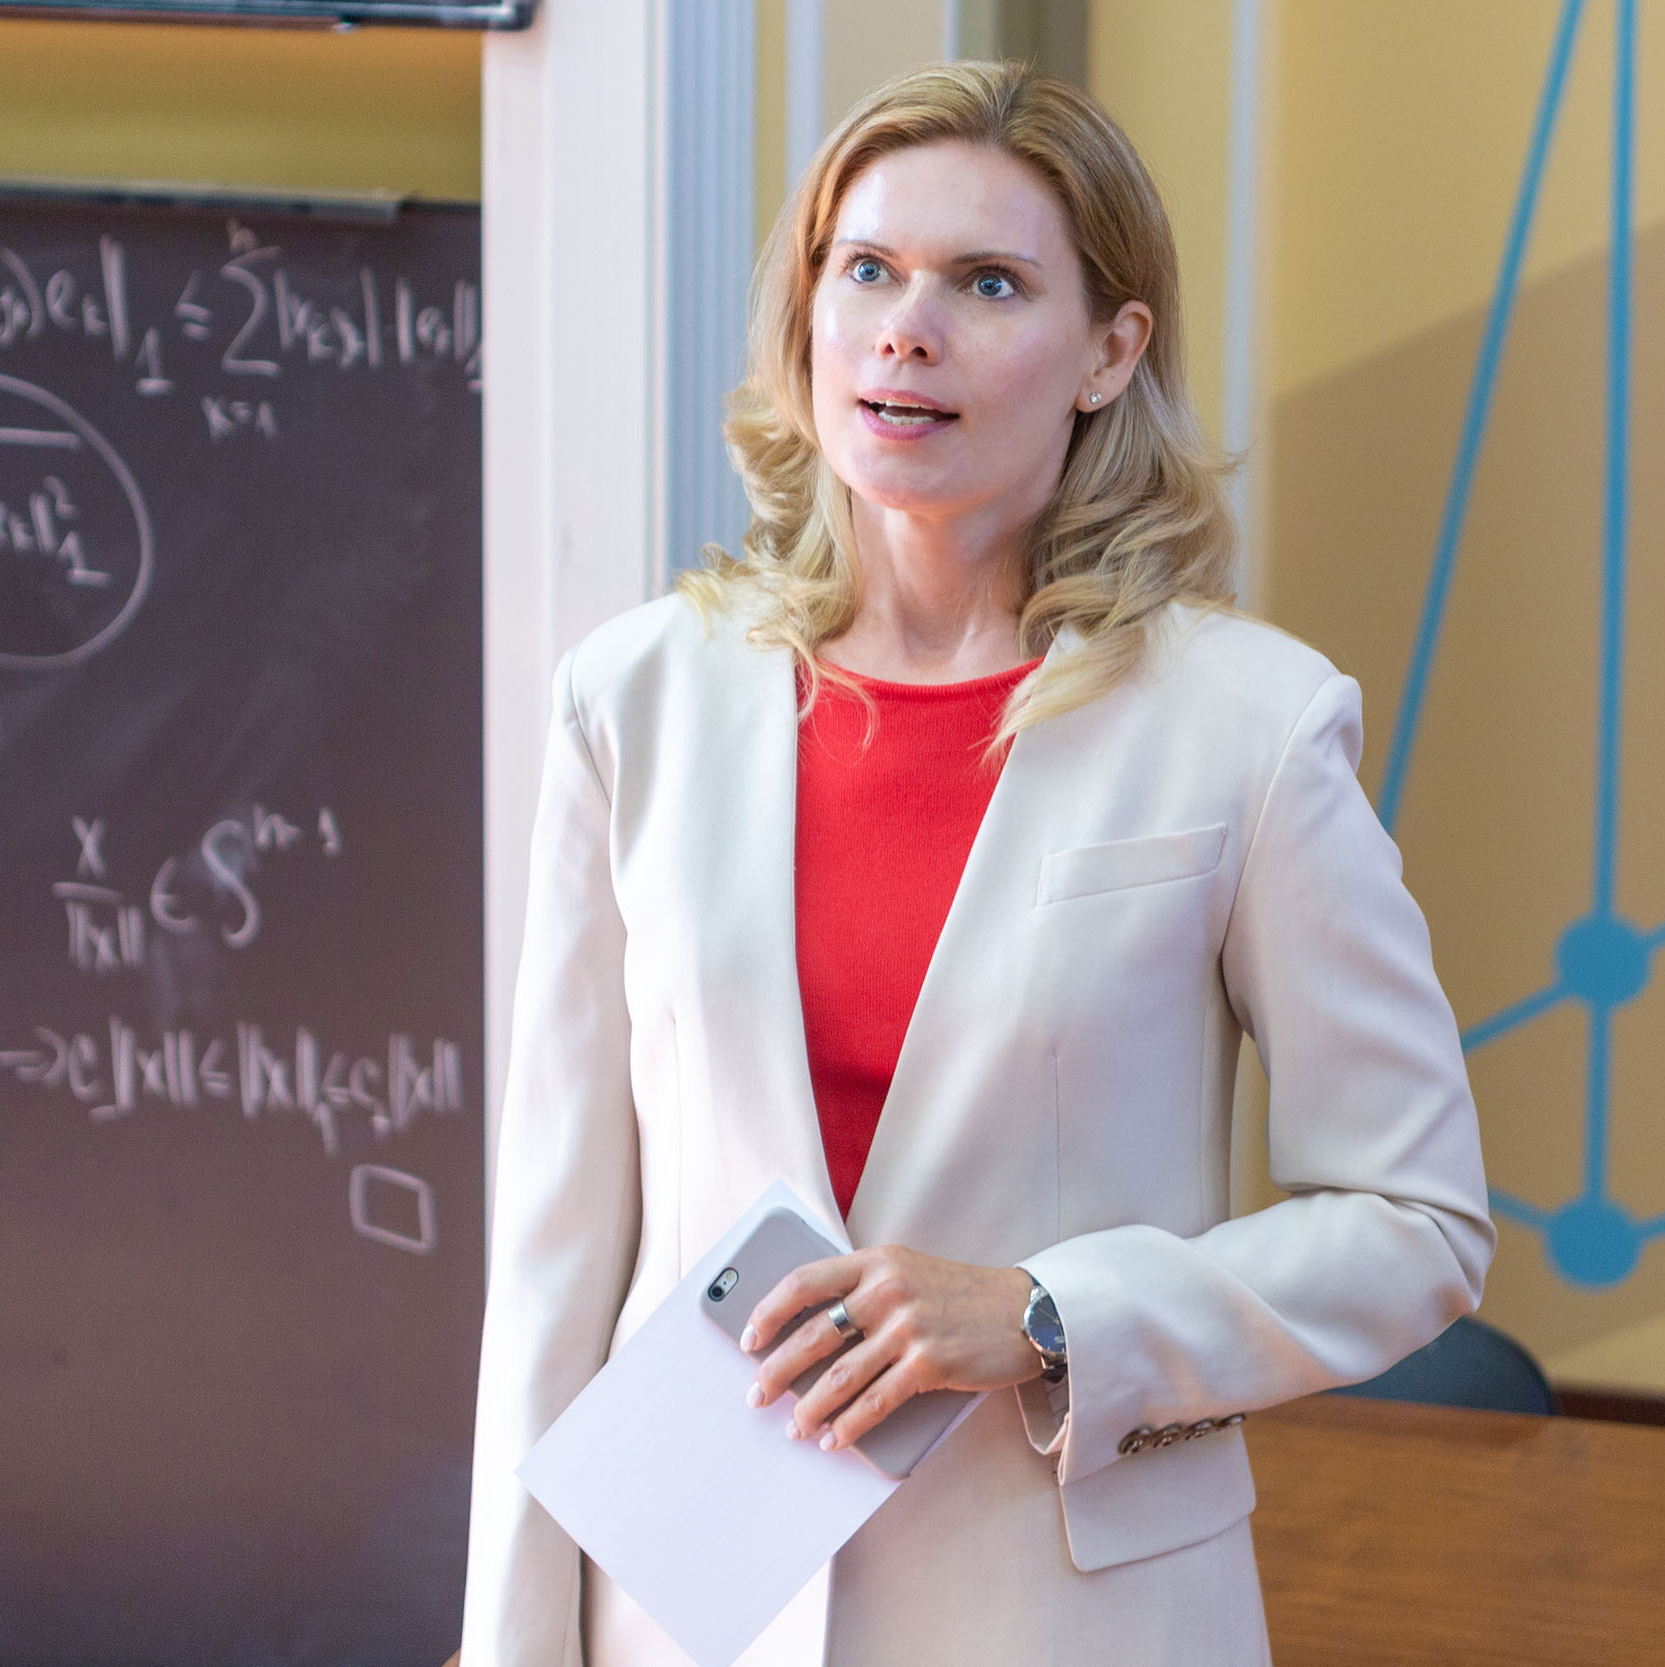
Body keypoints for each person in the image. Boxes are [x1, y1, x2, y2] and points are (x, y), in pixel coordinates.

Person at [462, 60, 1493, 1667]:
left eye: (988, 283)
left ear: (1108, 353)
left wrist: (1046, 1313)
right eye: (867, 269)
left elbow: (1416, 1223)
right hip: (689, 1616)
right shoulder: (634, 700)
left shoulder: (1250, 729)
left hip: (1072, 1615)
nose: (906, 329)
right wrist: (511, 1642)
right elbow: (555, 1257)